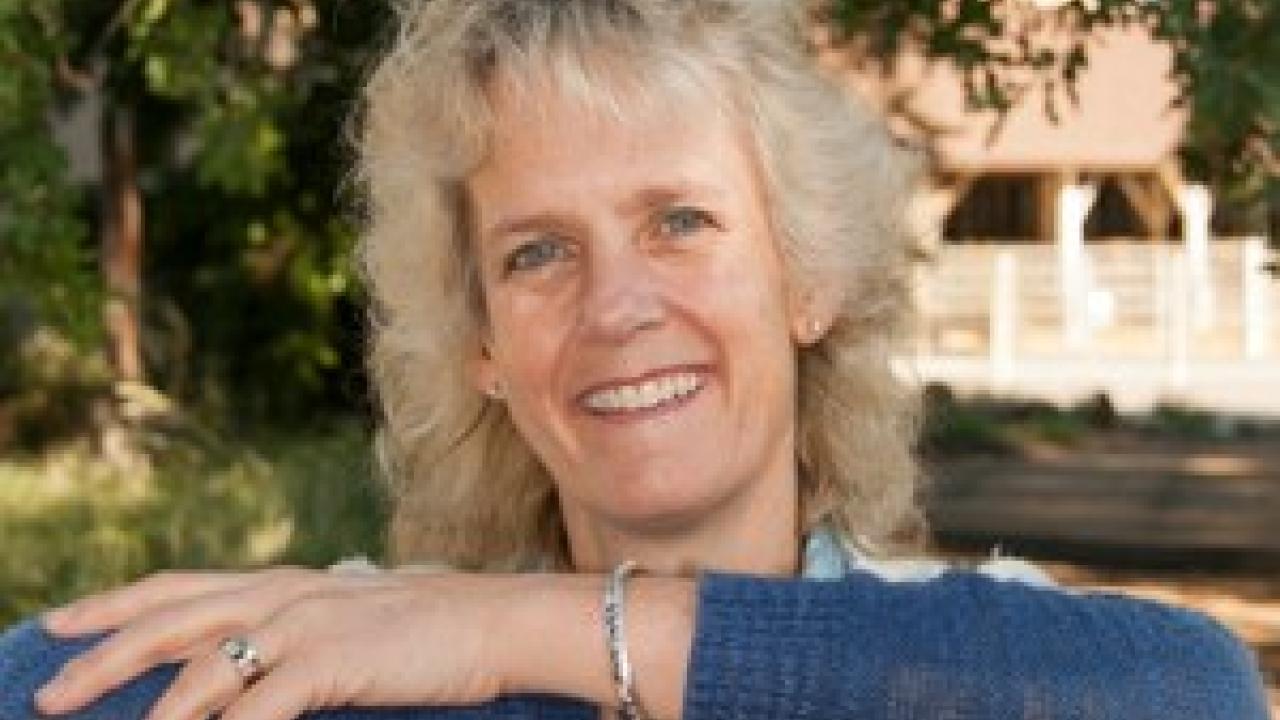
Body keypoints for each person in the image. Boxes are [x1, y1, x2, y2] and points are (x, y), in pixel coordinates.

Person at [0, 0, 1269, 718]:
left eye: (679, 222)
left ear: (807, 277)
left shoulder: (969, 658)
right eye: (538, 252)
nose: (616, 307)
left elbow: (1196, 692)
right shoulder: (357, 650)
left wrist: (527, 630)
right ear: (482, 344)